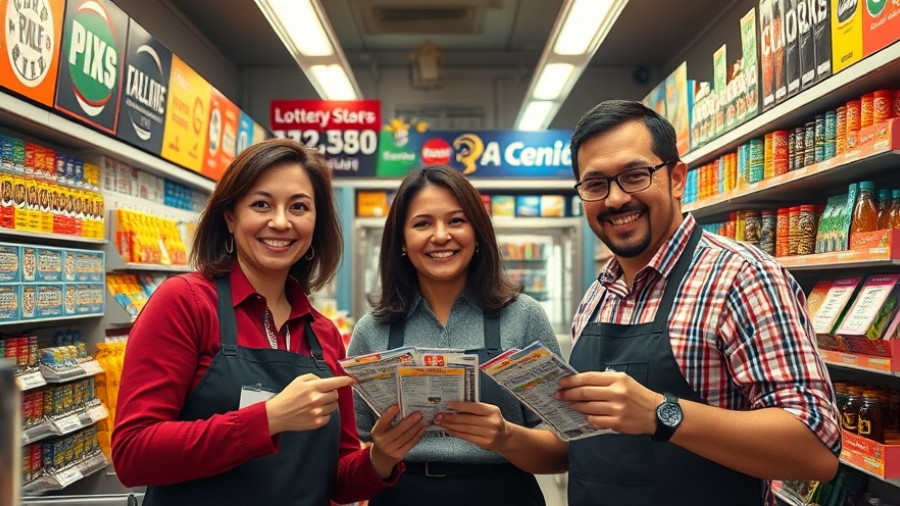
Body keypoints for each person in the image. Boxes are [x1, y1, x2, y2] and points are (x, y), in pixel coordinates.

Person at [554, 100, 841, 505]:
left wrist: (660, 413)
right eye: (596, 184)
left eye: (634, 176)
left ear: (676, 178)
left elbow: (815, 451)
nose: (616, 199)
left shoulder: (743, 277)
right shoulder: (597, 294)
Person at [112, 139, 425, 506]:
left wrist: (380, 458)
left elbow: (334, 479)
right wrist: (266, 420)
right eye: (261, 204)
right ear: (230, 217)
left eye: (299, 207)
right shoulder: (186, 303)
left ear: (315, 223)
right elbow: (133, 455)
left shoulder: (323, 334)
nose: (280, 222)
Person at [348, 164, 567, 506]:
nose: (440, 236)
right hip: (402, 495)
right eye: (423, 223)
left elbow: (564, 449)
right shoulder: (372, 329)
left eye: (456, 221)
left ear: (478, 233)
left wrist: (506, 437)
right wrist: (382, 454)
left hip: (504, 494)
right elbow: (354, 454)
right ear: (402, 243)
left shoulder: (523, 316)